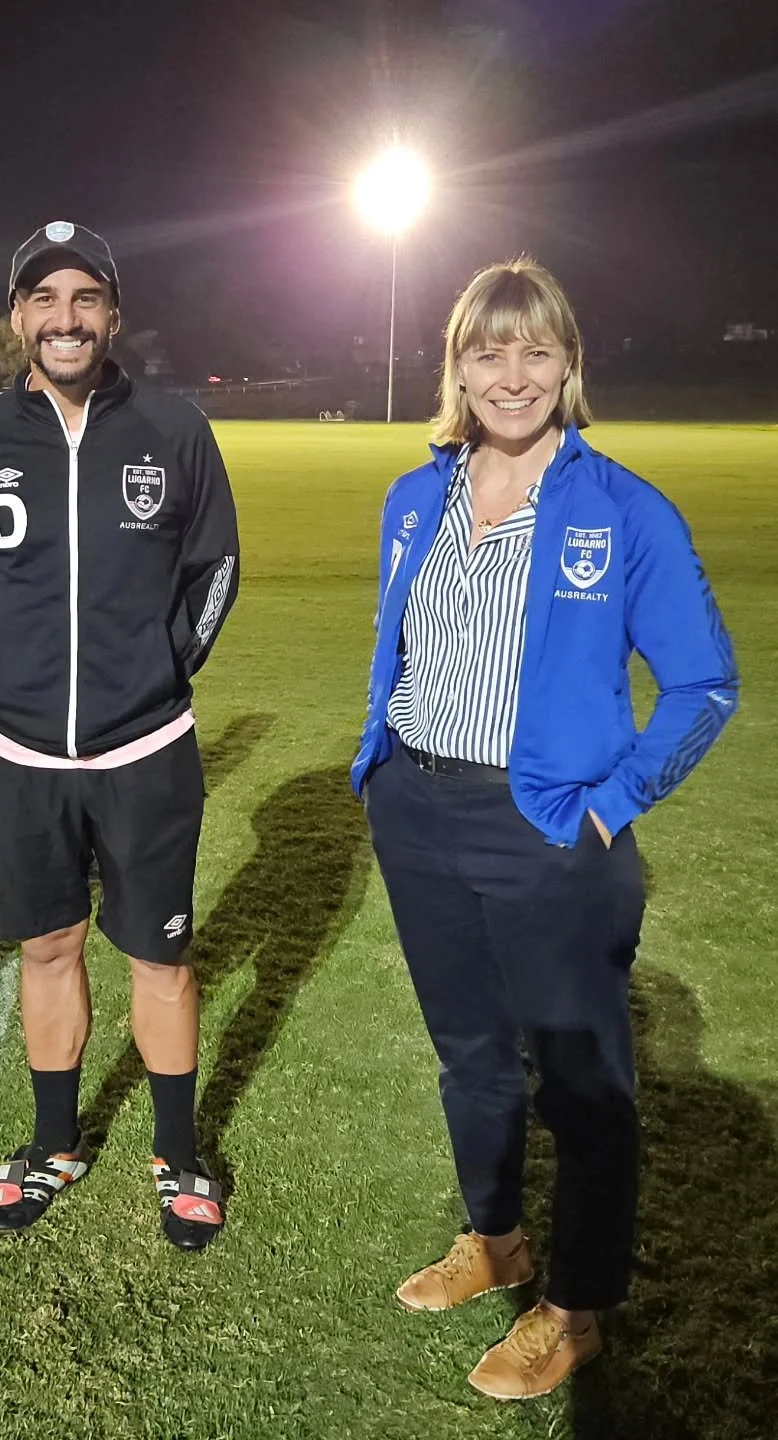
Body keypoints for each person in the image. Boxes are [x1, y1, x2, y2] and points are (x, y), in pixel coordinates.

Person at [351, 258, 738, 1399]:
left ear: (568, 363)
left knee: (581, 1089)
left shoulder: (622, 509)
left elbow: (703, 686)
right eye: (486, 351)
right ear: (455, 365)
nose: (509, 375)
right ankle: (496, 1242)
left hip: (548, 831)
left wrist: (611, 807)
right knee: (470, 1057)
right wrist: (381, 767)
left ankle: (572, 1311)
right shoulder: (413, 495)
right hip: (417, 810)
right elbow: (408, 648)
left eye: (534, 351)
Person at [0, 222, 240, 1250]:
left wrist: (152, 674)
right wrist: (20, 668)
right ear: (17, 316)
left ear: (111, 312)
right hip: (17, 752)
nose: (64, 319)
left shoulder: (174, 427)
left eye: (84, 299)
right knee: (48, 943)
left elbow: (214, 569)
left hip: (145, 748)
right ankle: (53, 1143)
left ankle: (179, 1154)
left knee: (160, 956)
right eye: (43, 300)